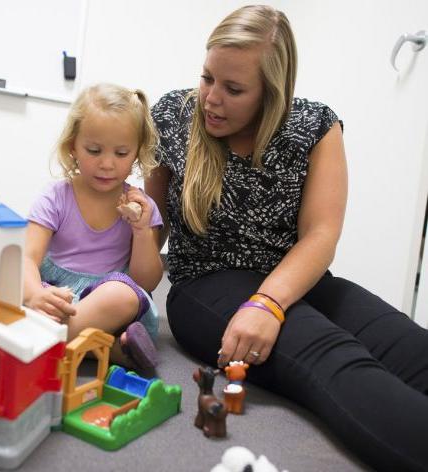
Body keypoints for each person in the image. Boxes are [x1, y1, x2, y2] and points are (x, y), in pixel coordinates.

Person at [145, 5, 428, 471]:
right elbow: (150, 230)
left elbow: (320, 235)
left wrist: (268, 303)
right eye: (207, 78)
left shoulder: (315, 127)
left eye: (233, 89)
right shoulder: (174, 114)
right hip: (207, 284)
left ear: (271, 93)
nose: (211, 98)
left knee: (411, 348)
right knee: (334, 356)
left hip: (298, 279)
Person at [24, 83, 163, 374]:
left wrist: (141, 231)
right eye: (94, 150)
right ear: (72, 145)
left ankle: (33, 343)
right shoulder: (56, 197)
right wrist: (35, 293)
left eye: (122, 153)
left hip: (106, 299)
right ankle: (104, 348)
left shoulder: (141, 205)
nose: (107, 164)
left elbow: (146, 281)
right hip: (56, 293)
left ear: (137, 153)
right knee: (4, 273)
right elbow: (27, 257)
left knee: (122, 295)